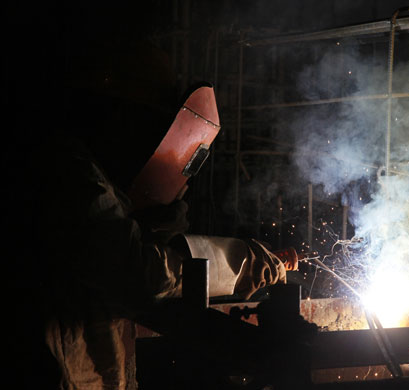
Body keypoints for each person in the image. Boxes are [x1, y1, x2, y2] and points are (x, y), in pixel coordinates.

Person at [21, 38, 286, 390]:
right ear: (113, 110)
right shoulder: (69, 174)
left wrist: (151, 228)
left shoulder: (95, 177)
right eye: (143, 120)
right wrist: (251, 262)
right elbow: (139, 275)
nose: (145, 139)